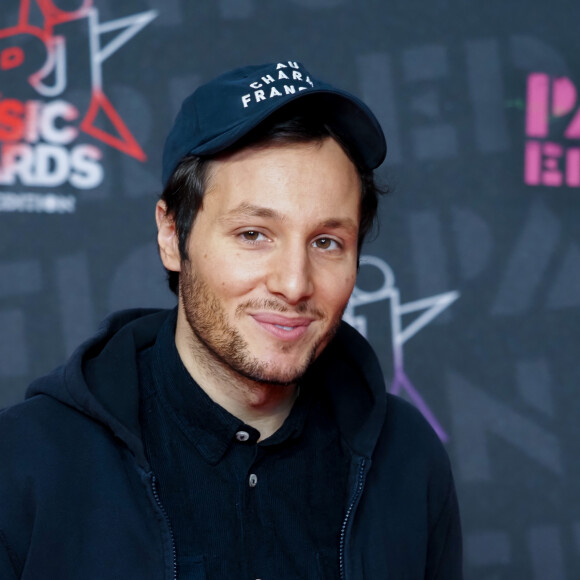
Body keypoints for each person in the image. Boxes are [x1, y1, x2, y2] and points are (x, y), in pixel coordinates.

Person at [0, 61, 462, 579]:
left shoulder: (408, 460)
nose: (293, 283)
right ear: (173, 236)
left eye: (327, 242)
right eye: (253, 234)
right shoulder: (26, 461)